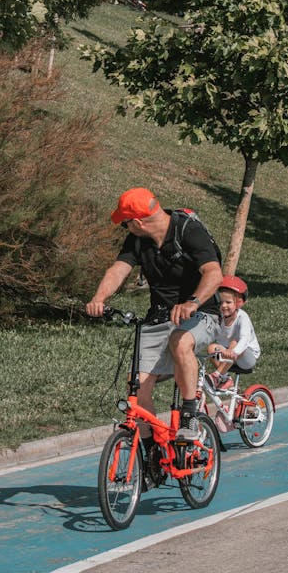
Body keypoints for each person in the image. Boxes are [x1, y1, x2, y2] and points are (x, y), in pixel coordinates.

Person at [86, 187, 222, 437]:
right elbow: (118, 269)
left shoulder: (188, 231)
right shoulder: (138, 239)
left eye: (125, 223)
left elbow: (213, 273)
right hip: (160, 317)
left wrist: (192, 302)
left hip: (202, 313)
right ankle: (151, 454)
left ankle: (189, 415)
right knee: (136, 390)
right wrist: (99, 298)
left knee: (179, 341)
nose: (124, 228)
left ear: (137, 222)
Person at [207, 274, 261, 390]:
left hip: (246, 357)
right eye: (221, 302)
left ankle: (217, 375)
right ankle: (226, 379)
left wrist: (233, 351)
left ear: (238, 303)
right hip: (228, 355)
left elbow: (244, 339)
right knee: (212, 348)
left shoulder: (242, 317)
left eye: (228, 302)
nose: (224, 306)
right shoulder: (218, 317)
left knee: (234, 342)